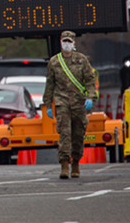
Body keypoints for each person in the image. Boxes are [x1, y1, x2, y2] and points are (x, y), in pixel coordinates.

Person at [43, 30, 96, 179]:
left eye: (69, 41)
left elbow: (90, 80)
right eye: (64, 41)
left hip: (79, 103)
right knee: (65, 134)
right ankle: (64, 164)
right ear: (60, 42)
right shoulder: (54, 62)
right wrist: (48, 104)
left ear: (74, 43)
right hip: (62, 102)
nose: (66, 44)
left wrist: (90, 97)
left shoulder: (82, 60)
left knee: (78, 134)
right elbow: (50, 84)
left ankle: (76, 163)